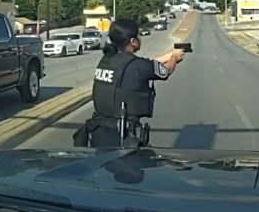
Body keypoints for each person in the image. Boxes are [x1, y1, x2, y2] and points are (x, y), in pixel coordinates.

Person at [72, 18, 185, 148]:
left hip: (98, 133)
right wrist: (174, 58)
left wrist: (168, 55)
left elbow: (144, 64)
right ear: (133, 41)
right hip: (123, 138)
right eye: (139, 35)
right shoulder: (137, 66)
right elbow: (166, 71)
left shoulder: (107, 59)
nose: (140, 38)